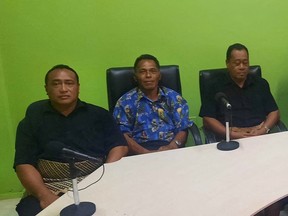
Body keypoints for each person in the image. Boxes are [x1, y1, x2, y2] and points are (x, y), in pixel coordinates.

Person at [13, 64, 128, 216]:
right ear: (46, 88)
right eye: (56, 83)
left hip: (94, 179)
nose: (63, 89)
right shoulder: (31, 121)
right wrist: (44, 196)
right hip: (49, 185)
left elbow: (119, 146)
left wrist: (105, 177)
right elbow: (23, 163)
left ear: (78, 87)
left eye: (69, 83)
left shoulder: (99, 115)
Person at [113, 54, 193, 155]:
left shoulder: (174, 98)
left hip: (171, 149)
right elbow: (123, 135)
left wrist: (172, 146)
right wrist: (146, 153)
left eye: (153, 71)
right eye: (143, 71)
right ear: (135, 77)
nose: (148, 75)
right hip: (139, 152)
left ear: (159, 76)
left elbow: (182, 129)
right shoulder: (124, 102)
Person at [199, 43, 280, 140]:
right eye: (237, 63)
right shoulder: (214, 86)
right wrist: (230, 133)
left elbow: (274, 112)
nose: (242, 67)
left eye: (245, 63)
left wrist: (263, 130)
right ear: (227, 63)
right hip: (229, 138)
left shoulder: (261, 83)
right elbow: (207, 119)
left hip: (259, 136)